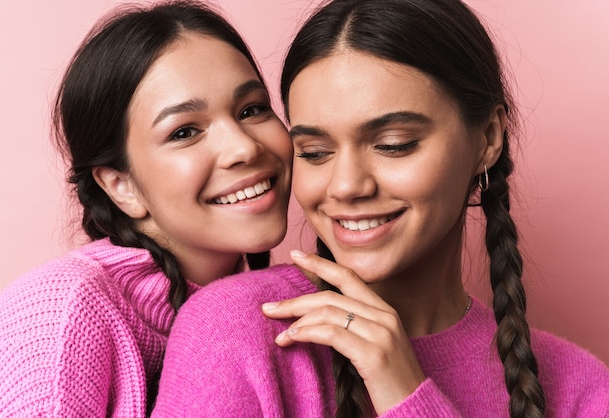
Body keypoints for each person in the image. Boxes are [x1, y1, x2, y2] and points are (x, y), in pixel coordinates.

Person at [151, 0, 609, 417]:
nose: (347, 186)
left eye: (394, 145)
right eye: (314, 152)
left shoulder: (579, 387)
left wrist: (407, 393)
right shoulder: (238, 331)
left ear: (488, 139)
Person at [0, 1, 293, 416]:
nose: (244, 148)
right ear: (120, 185)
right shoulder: (62, 315)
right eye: (184, 131)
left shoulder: (266, 309)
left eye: (252, 109)